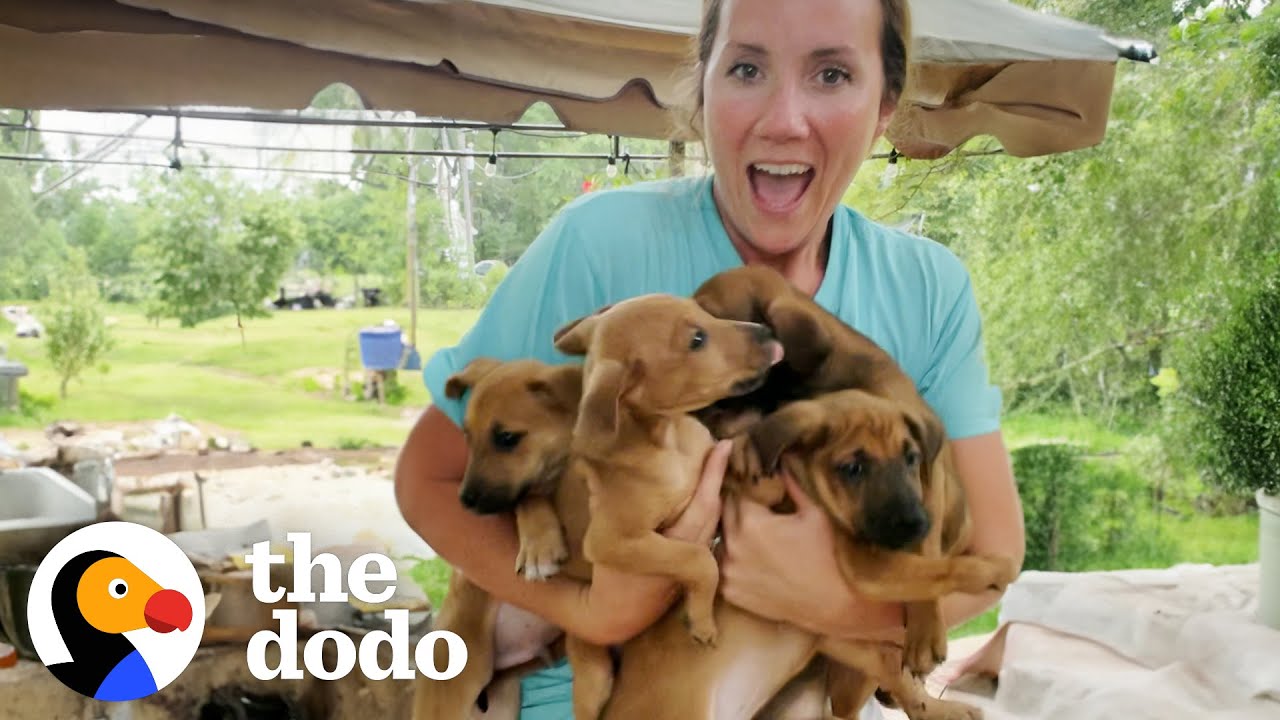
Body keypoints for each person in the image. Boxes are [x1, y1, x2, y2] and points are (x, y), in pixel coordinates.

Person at [394, 0, 1027, 717]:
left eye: (831, 73)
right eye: (748, 68)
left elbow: (994, 553)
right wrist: (595, 612)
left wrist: (831, 600)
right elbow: (430, 478)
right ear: (702, 88)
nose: (783, 119)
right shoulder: (600, 243)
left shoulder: (926, 289)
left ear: (885, 103)